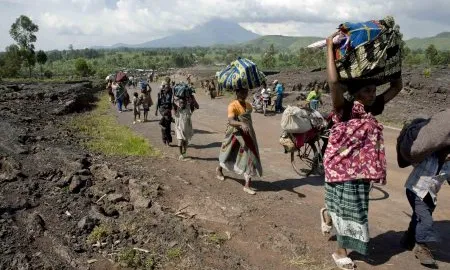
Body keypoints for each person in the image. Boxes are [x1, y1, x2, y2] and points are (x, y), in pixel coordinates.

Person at [321, 32, 402, 270]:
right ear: (356, 93)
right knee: (349, 209)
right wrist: (329, 47)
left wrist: (393, 53)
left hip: (361, 172)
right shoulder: (344, 108)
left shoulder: (372, 109)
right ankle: (340, 252)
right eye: (367, 91)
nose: (372, 94)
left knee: (346, 207)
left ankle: (327, 215)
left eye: (373, 90)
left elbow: (397, 86)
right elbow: (334, 83)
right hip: (340, 167)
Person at [400, 146, 450, 266]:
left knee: (418, 218)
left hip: (430, 196)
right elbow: (412, 156)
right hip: (415, 190)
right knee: (426, 221)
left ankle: (408, 239)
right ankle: (421, 247)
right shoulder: (429, 156)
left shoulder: (448, 164)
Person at [216, 87, 263, 195]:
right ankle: (219, 169)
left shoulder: (248, 105)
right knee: (228, 154)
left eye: (246, 92)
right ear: (237, 93)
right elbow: (231, 121)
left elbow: (247, 119)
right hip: (235, 135)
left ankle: (247, 185)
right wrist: (241, 124)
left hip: (247, 134)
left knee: (250, 156)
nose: (245, 94)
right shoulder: (233, 105)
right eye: (242, 92)